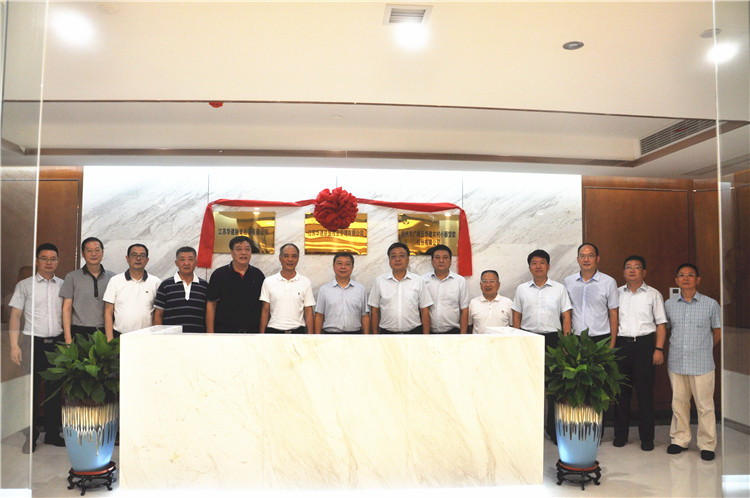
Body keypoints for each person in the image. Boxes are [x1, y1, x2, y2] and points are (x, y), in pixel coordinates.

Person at [8, 243, 66, 453]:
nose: (49, 262)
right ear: (36, 260)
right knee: (30, 391)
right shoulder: (25, 285)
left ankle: (52, 434)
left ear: (58, 261)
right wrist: (14, 345)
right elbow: (15, 315)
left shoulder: (64, 285)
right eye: (44, 258)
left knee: (54, 391)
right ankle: (30, 436)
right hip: (32, 343)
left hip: (57, 344)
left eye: (53, 259)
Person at [512, 249, 572, 444]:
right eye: (534, 263)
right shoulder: (522, 289)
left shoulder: (559, 289)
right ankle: (530, 430)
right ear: (529, 267)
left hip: (553, 341)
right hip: (528, 339)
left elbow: (566, 317)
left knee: (553, 388)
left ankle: (553, 430)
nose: (538, 266)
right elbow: (516, 315)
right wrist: (517, 339)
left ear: (548, 266)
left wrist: (566, 343)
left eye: (542, 262)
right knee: (529, 387)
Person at [665, 263, 721, 461]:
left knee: (705, 406)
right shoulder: (669, 304)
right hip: (677, 362)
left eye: (690, 275)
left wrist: (703, 348)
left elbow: (717, 332)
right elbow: (667, 330)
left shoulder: (711, 304)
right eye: (682, 275)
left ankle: (707, 444)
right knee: (679, 404)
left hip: (702, 363)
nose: (686, 278)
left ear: (698, 279)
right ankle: (679, 440)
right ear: (676, 280)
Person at [613, 255, 667, 451]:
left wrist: (658, 349)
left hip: (645, 346)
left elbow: (661, 324)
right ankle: (620, 436)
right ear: (623, 272)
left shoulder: (653, 294)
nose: (632, 270)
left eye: (636, 267)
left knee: (645, 395)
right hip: (621, 345)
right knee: (621, 394)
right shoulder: (616, 293)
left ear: (644, 272)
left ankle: (647, 439)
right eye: (628, 267)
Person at [59, 237, 115, 343]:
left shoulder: (113, 278)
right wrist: (67, 337)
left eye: (97, 250)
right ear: (83, 254)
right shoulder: (72, 277)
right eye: (89, 251)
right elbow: (67, 308)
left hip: (105, 332)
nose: (93, 254)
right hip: (79, 332)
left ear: (102, 253)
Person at [369, 242, 432, 334]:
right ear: (389, 260)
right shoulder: (380, 281)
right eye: (393, 256)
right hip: (387, 334)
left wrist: (426, 337)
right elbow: (374, 310)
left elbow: (424, 310)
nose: (397, 259)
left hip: (414, 333)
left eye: (402, 256)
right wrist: (375, 336)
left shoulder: (418, 280)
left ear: (408, 259)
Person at [206, 236, 265, 333]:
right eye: (239, 249)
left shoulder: (258, 275)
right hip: (225, 334)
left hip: (252, 334)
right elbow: (211, 304)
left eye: (247, 249)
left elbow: (264, 307)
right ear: (231, 252)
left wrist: (262, 334)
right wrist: (210, 334)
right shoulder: (219, 274)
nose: (243, 253)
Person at [563, 243, 619, 347]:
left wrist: (612, 343)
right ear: (578, 259)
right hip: (576, 337)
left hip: (600, 337)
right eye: (582, 256)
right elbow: (566, 313)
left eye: (590, 256)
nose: (586, 260)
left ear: (597, 259)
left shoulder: (609, 282)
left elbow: (613, 313)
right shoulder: (568, 281)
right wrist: (567, 341)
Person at [103, 243, 161, 340]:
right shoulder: (115, 281)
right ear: (127, 258)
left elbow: (158, 313)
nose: (138, 258)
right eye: (134, 255)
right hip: (119, 337)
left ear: (147, 260)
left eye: (142, 255)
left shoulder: (156, 282)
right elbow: (108, 311)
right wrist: (110, 339)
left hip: (147, 338)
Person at [260, 243, 315, 334]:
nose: (290, 259)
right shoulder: (269, 281)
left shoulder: (305, 282)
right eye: (286, 256)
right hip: (274, 332)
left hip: (298, 332)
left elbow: (308, 311)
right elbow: (265, 310)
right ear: (280, 258)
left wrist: (310, 337)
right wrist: (262, 336)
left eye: (294, 256)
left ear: (298, 258)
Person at [154, 246, 208, 333]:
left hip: (198, 337)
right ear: (176, 263)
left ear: (196, 262)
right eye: (182, 260)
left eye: (191, 259)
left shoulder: (204, 286)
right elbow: (158, 314)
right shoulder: (165, 285)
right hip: (171, 337)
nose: (186, 263)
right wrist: (159, 336)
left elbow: (208, 315)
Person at [314, 253, 370, 334]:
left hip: (355, 336)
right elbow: (319, 315)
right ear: (333, 266)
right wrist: (317, 338)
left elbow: (365, 315)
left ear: (352, 267)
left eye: (347, 264)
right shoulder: (324, 289)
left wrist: (366, 337)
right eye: (339, 263)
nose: (343, 267)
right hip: (330, 336)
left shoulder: (360, 289)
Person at [422, 245, 469, 334]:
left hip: (453, 332)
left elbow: (464, 310)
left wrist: (462, 336)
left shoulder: (460, 281)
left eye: (445, 257)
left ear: (450, 261)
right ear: (432, 261)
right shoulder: (423, 281)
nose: (441, 261)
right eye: (437, 257)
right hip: (429, 333)